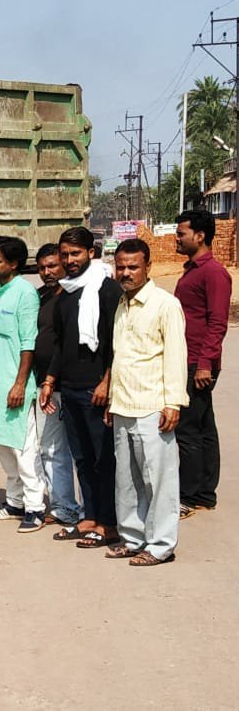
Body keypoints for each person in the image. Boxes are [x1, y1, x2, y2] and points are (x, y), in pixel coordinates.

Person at [105, 239, 188, 566]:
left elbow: (176, 357)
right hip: (124, 403)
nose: (125, 273)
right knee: (126, 480)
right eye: (121, 266)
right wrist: (112, 400)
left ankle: (160, 545)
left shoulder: (164, 305)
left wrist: (173, 403)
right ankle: (133, 537)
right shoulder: (122, 306)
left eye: (133, 267)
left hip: (153, 405)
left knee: (159, 480)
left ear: (148, 268)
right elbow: (120, 358)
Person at [39, 226, 122, 550]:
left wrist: (107, 380)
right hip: (70, 389)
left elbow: (117, 343)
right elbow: (61, 344)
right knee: (82, 459)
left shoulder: (107, 290)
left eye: (75, 254)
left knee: (103, 459)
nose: (69, 260)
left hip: (97, 389)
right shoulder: (66, 293)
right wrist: (50, 381)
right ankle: (89, 516)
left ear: (91, 253)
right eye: (65, 254)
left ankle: (109, 523)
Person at [0, 236, 47, 532]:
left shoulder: (25, 293)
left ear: (14, 264)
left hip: (16, 383)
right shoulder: (1, 292)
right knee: (4, 445)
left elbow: (28, 343)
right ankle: (14, 502)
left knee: (23, 446)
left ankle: (35, 507)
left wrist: (20, 383)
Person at [172, 209, 232, 517]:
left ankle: (188, 495)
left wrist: (206, 363)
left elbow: (218, 322)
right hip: (191, 357)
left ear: (200, 236)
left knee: (188, 430)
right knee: (204, 426)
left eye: (182, 233)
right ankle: (205, 494)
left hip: (198, 361)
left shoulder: (213, 273)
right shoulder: (192, 269)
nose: (177, 238)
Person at [33, 244, 82, 527]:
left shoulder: (74, 296)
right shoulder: (41, 296)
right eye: (42, 268)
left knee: (81, 452)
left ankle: (89, 511)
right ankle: (64, 507)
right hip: (47, 387)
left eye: (52, 265)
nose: (47, 272)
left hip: (70, 383)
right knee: (50, 448)